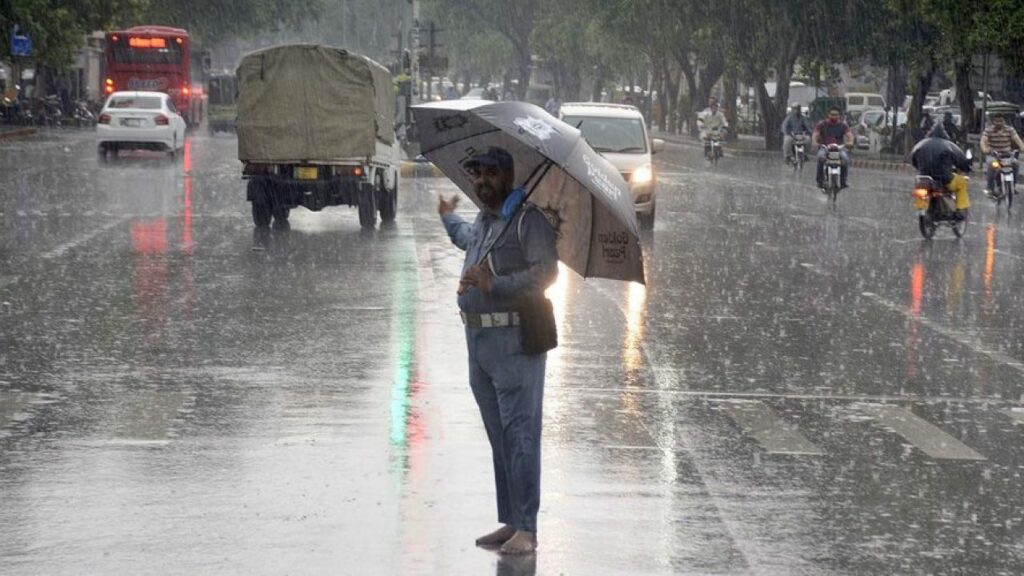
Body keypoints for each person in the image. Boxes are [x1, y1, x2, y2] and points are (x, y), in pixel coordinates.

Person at [437, 146, 558, 556]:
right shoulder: (487, 220)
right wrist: (447, 217)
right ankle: (510, 519)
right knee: (499, 437)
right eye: (476, 175)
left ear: (508, 176)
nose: (481, 182)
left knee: (520, 436)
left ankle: (527, 527)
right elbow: (465, 239)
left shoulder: (528, 220)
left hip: (514, 343)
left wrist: (495, 285)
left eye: (490, 174)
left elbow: (547, 272)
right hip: (479, 345)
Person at [910, 122, 972, 219]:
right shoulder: (949, 145)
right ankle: (960, 210)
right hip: (944, 179)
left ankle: (921, 208)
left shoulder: (920, 145)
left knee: (920, 189)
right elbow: (962, 161)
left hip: (924, 178)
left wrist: (922, 168)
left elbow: (913, 160)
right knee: (962, 182)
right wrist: (966, 168)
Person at [980, 112, 1024, 196]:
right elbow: (983, 141)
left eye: (1001, 121)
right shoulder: (988, 130)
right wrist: (984, 149)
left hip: (1007, 155)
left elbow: (1017, 139)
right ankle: (990, 188)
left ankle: (1013, 186)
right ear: (993, 122)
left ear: (1004, 121)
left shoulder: (1010, 129)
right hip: (993, 154)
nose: (999, 123)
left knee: (1016, 164)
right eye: (997, 121)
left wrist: (1022, 147)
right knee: (992, 165)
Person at [812, 106, 853, 189]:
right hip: (825, 148)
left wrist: (850, 142)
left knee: (845, 159)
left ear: (840, 116)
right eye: (832, 114)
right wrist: (815, 142)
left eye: (836, 115)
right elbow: (815, 134)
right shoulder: (822, 124)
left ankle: (843, 181)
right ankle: (820, 181)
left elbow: (849, 135)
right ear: (828, 115)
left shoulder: (843, 125)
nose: (834, 116)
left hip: (839, 148)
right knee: (820, 158)